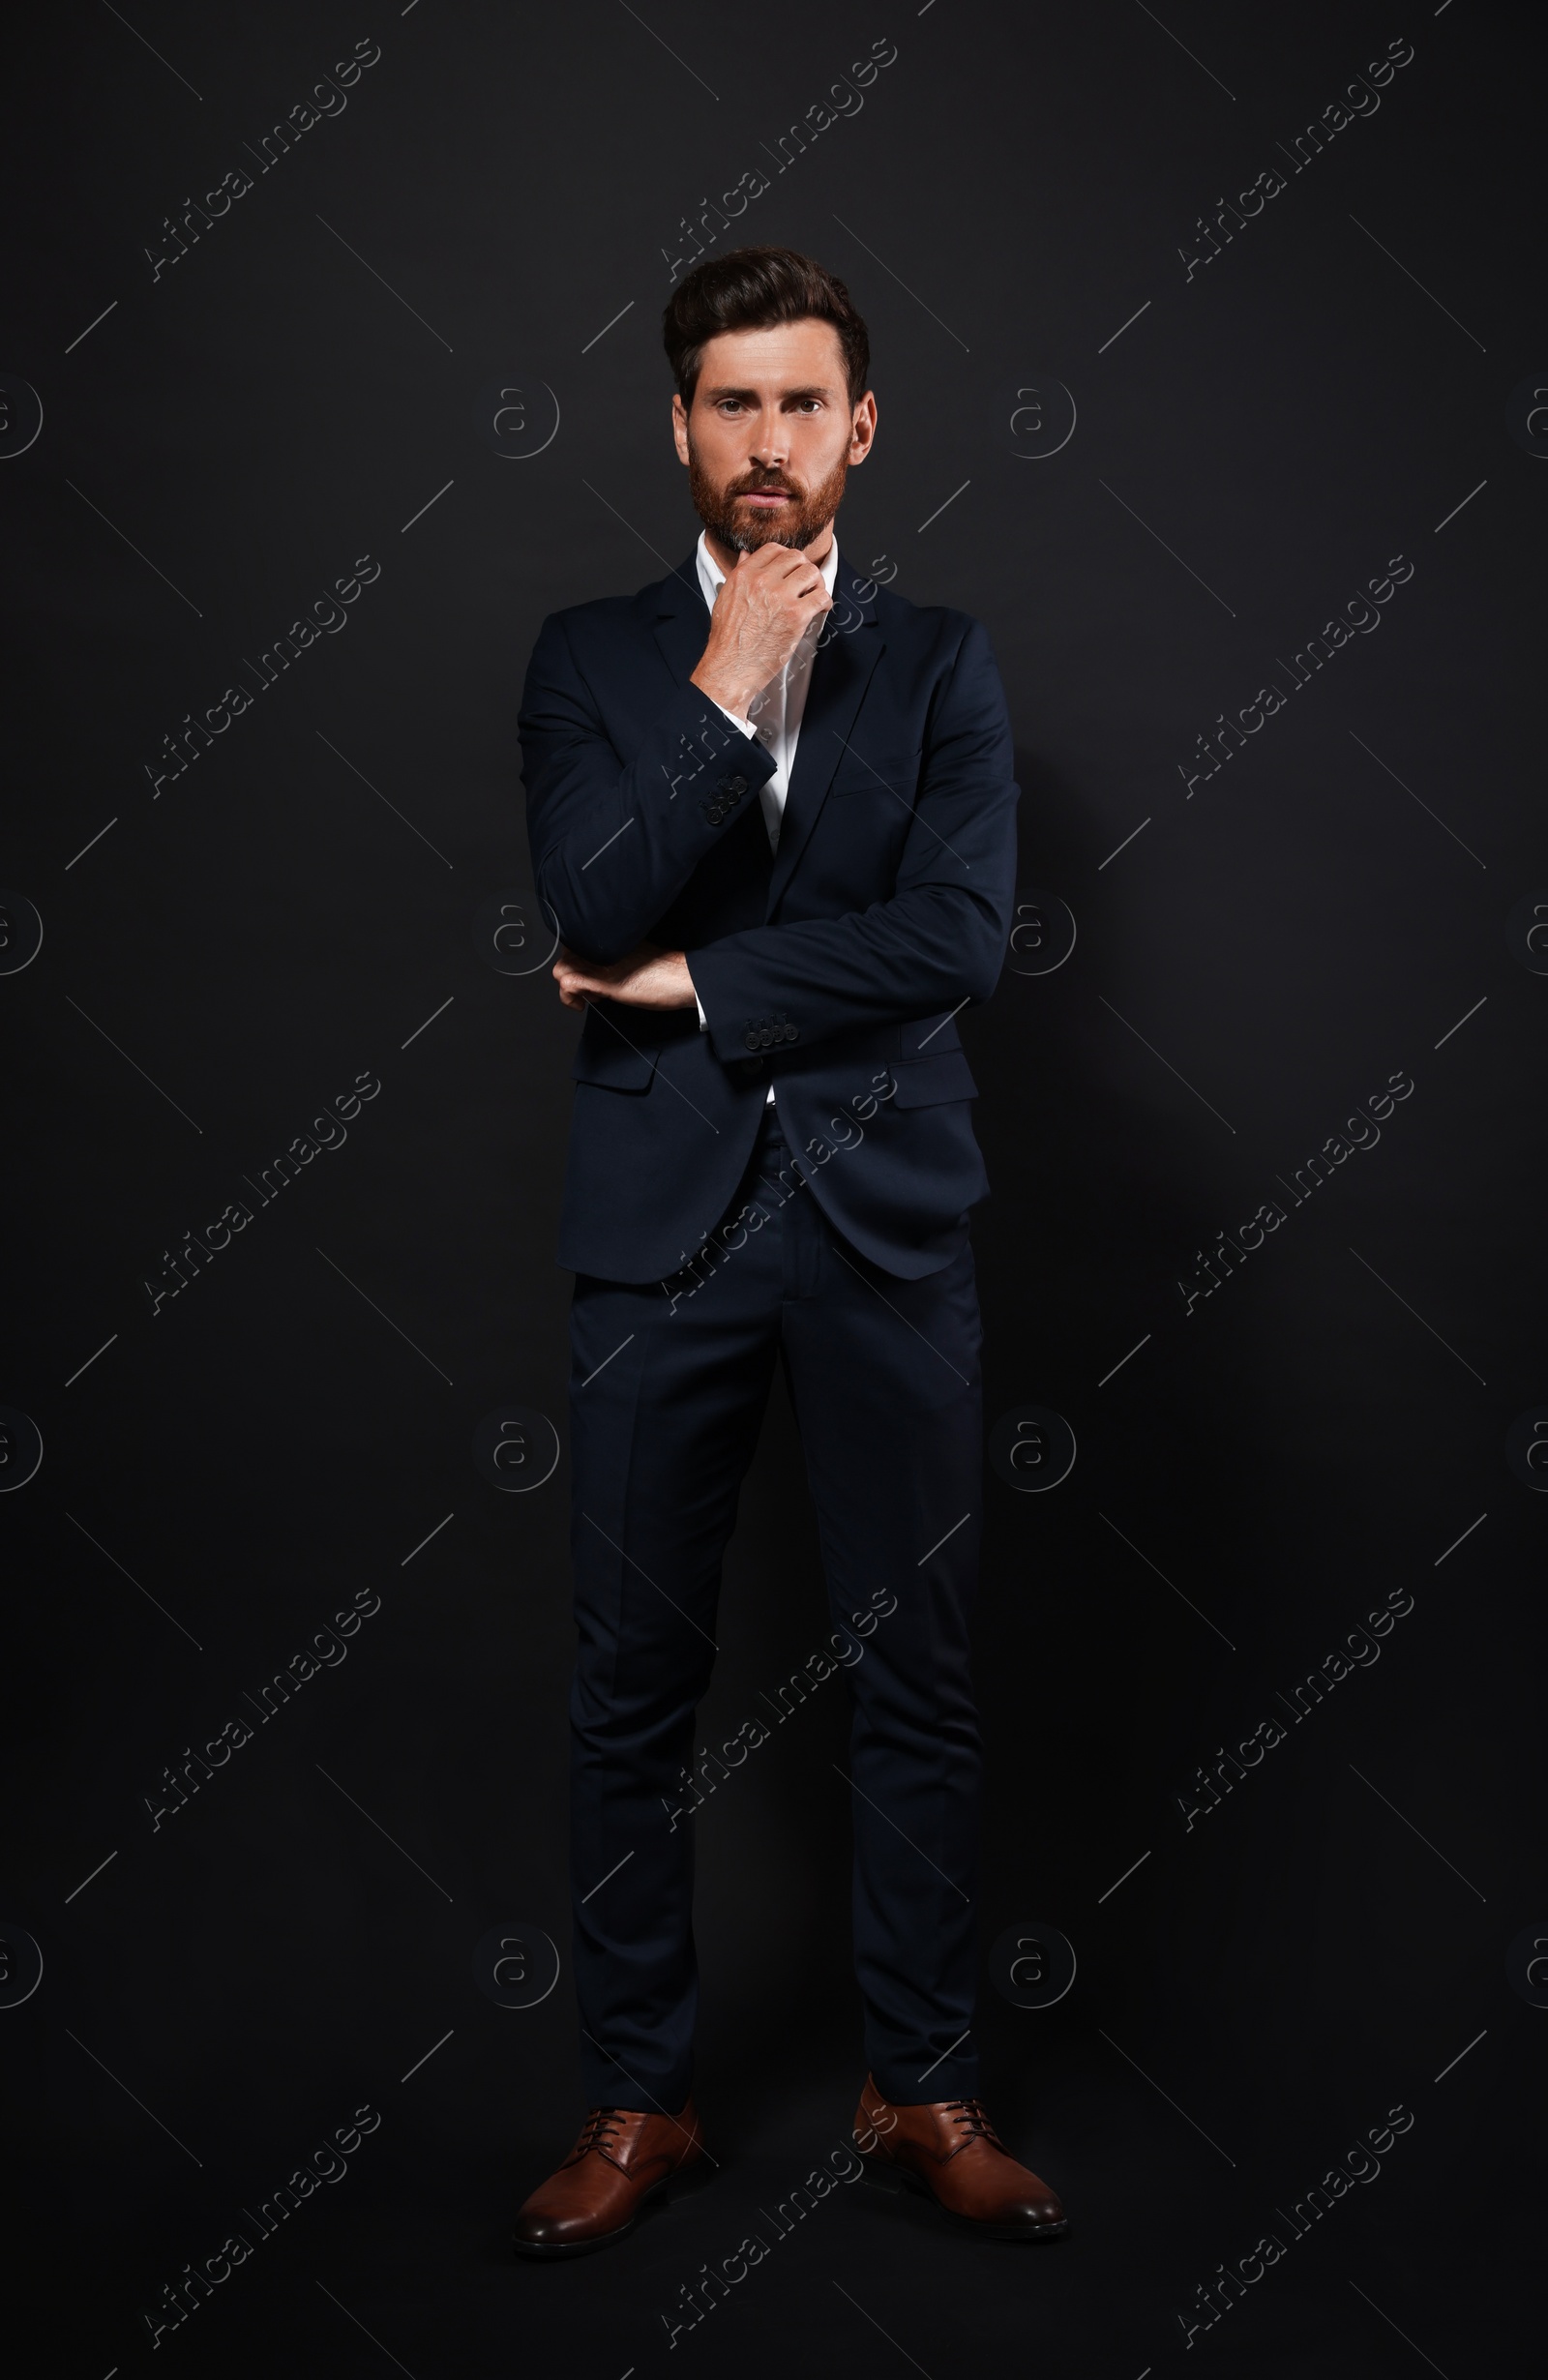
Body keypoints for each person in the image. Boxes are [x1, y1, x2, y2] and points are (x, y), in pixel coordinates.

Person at [511, 246, 1065, 2255]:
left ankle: (919, 2087)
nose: (766, 443)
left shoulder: (945, 665)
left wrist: (687, 984)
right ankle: (639, 2104)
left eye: (799, 404)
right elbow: (581, 884)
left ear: (860, 426)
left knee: (913, 1679)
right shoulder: (586, 661)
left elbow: (956, 938)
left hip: (884, 1227)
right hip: (656, 1244)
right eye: (729, 406)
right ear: (680, 427)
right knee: (626, 1693)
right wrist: (725, 683)